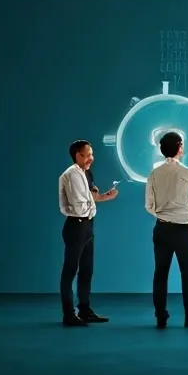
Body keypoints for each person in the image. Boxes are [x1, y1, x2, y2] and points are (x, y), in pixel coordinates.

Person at [145, 131, 188, 329]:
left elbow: (148, 205)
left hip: (161, 228)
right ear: (179, 147)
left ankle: (160, 315)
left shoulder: (154, 174)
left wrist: (163, 213)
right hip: (183, 230)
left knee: (160, 272)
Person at [59, 140, 118, 326]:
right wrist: (93, 201)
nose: (92, 158)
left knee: (86, 270)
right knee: (70, 272)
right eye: (88, 154)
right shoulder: (71, 176)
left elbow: (90, 199)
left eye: (92, 154)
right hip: (76, 226)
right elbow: (80, 206)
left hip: (87, 226)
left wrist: (102, 197)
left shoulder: (86, 173)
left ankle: (84, 310)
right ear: (78, 155)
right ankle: (69, 314)